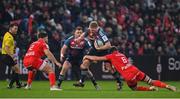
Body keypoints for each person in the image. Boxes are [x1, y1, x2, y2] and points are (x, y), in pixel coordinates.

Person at [83, 46, 177, 91]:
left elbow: (98, 58)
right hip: (135, 69)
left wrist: (87, 56)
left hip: (128, 75)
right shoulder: (121, 54)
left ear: (111, 52)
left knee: (134, 88)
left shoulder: (111, 56)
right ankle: (167, 86)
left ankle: (150, 89)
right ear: (117, 51)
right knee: (151, 80)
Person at [73, 21, 123, 90]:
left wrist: (99, 48)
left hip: (104, 51)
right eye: (91, 29)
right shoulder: (89, 30)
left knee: (108, 67)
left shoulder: (101, 34)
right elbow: (83, 35)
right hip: (95, 49)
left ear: (97, 28)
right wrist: (78, 39)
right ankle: (81, 82)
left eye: (93, 30)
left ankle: (119, 82)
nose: (92, 31)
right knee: (85, 63)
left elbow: (108, 45)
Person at [0, 23, 25, 89]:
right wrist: (12, 56)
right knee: (17, 70)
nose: (16, 30)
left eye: (17, 28)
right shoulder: (9, 37)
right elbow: (6, 48)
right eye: (15, 28)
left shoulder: (7, 34)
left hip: (5, 55)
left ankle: (18, 84)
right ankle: (10, 85)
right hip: (7, 55)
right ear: (10, 28)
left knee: (15, 70)